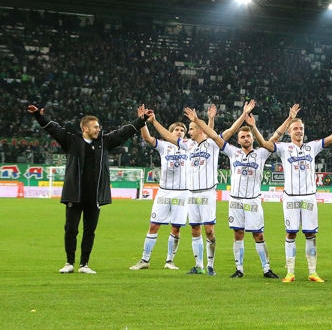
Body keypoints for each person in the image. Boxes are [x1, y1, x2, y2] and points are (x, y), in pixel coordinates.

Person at [29, 102, 148, 274]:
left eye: (99, 127)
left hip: (95, 196)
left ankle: (84, 264)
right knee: (71, 229)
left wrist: (141, 119)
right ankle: (69, 263)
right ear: (85, 128)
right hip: (74, 194)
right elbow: (54, 129)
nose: (98, 129)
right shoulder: (71, 141)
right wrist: (39, 116)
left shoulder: (104, 142)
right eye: (95, 127)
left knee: (89, 231)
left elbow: (124, 132)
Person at [131, 104, 235, 274]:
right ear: (171, 132)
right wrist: (144, 122)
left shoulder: (191, 146)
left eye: (183, 129)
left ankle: (171, 260)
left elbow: (209, 138)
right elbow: (150, 139)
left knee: (177, 227)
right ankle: (145, 259)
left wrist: (210, 119)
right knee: (154, 225)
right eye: (177, 129)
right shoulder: (168, 145)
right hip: (164, 190)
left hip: (185, 192)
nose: (181, 132)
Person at [187, 108, 280, 279]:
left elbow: (276, 136)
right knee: (238, 234)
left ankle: (266, 269)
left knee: (258, 234)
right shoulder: (232, 152)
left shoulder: (261, 153)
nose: (246, 139)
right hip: (236, 201)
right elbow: (214, 136)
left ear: (252, 138)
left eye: (248, 136)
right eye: (242, 136)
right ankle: (239, 269)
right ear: (238, 140)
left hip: (253, 201)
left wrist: (287, 119)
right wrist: (199, 120)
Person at [261, 103, 332, 282]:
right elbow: (266, 144)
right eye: (295, 128)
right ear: (289, 132)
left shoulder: (312, 147)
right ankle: (290, 272)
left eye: (301, 128)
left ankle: (312, 272)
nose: (299, 131)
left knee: (311, 234)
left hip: (309, 197)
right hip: (291, 197)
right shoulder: (284, 148)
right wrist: (288, 119)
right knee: (291, 233)